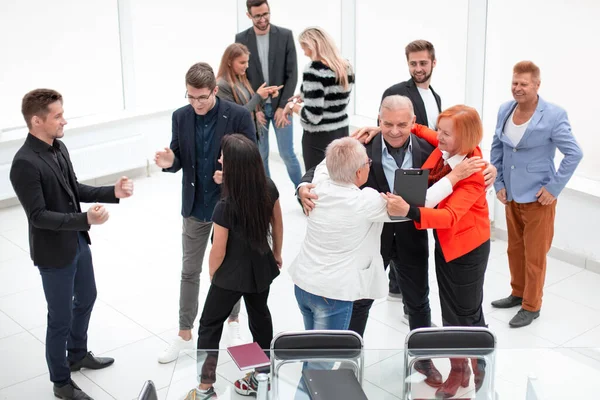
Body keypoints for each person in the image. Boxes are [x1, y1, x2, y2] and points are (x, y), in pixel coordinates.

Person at [299, 96, 494, 388]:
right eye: (387, 123)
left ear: (413, 123)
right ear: (378, 121)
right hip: (372, 239)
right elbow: (323, 166)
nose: (394, 131)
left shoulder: (433, 147)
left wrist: (487, 166)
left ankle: (423, 360)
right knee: (360, 301)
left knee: (418, 301)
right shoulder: (361, 147)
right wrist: (302, 186)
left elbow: (462, 150)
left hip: (413, 236)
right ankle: (350, 360)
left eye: (402, 124)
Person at [9, 89, 134, 400]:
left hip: (77, 241)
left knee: (88, 296)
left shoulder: (58, 147)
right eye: (57, 116)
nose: (65, 120)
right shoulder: (24, 163)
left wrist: (113, 192)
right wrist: (85, 219)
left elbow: (73, 188)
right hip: (54, 252)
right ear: (36, 121)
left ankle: (77, 354)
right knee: (60, 316)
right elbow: (38, 216)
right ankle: (61, 382)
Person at [154, 62, 257, 364]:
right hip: (196, 206)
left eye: (202, 97)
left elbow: (250, 157)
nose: (196, 103)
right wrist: (169, 160)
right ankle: (185, 333)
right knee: (189, 270)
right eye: (190, 97)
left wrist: (230, 175)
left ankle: (234, 323)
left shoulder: (237, 115)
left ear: (214, 90)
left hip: (229, 204)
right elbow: (179, 157)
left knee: (230, 267)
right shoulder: (180, 117)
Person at [389, 105, 491, 398]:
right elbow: (428, 133)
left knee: (467, 313)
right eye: (440, 129)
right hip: (446, 244)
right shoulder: (449, 146)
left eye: (446, 133)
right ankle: (458, 369)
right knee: (449, 309)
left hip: (467, 248)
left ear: (465, 137)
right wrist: (412, 127)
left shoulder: (472, 171)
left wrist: (409, 210)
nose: (439, 136)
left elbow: (448, 216)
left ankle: (479, 363)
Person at [184, 134, 282, 400]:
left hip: (230, 274)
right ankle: (263, 376)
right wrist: (277, 253)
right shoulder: (268, 186)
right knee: (260, 318)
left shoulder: (225, 206)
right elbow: (277, 222)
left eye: (223, 157)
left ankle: (205, 388)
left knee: (209, 325)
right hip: (261, 267)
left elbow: (218, 249)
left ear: (234, 166)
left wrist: (213, 273)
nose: (219, 160)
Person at [490, 61, 583, 328]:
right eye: (514, 83)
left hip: (538, 198)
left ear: (537, 85)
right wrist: (499, 183)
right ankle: (518, 293)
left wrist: (553, 188)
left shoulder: (554, 115)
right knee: (514, 249)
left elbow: (574, 153)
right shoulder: (505, 110)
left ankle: (532, 306)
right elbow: (497, 148)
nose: (517, 88)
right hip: (511, 195)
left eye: (523, 84)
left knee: (535, 255)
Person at [236, 0, 303, 186]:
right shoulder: (241, 39)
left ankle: (303, 192)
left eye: (266, 14)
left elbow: (292, 74)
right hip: (257, 110)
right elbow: (242, 78)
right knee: (261, 156)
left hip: (281, 106)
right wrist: (254, 108)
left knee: (287, 154)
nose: (263, 19)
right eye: (258, 16)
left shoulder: (285, 35)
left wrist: (283, 107)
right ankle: (267, 199)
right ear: (249, 15)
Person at [283, 27, 355, 171]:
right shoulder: (346, 66)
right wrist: (305, 95)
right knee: (339, 181)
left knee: (317, 184)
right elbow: (337, 101)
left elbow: (312, 117)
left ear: (313, 46)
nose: (304, 53)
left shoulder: (313, 70)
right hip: (341, 133)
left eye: (304, 47)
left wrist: (292, 106)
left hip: (318, 140)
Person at [216, 43, 282, 134]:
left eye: (247, 62)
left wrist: (266, 94)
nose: (247, 66)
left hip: (249, 134)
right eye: (242, 62)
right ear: (229, 62)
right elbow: (237, 115)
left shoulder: (241, 79)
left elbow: (251, 106)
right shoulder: (221, 85)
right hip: (238, 139)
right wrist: (258, 96)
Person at [381, 40, 441, 129]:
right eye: (413, 64)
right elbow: (384, 130)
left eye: (423, 63)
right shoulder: (395, 92)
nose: (418, 69)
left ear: (434, 63)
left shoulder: (437, 98)